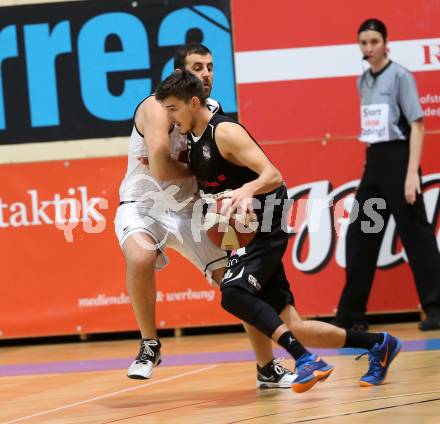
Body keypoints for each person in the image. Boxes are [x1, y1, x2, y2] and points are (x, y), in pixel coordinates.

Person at [154, 69, 402, 391]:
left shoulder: (225, 131)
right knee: (293, 325)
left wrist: (246, 191)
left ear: (193, 102)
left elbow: (273, 175)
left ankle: (304, 360)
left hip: (266, 223)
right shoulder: (192, 137)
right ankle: (378, 344)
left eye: (173, 108)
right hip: (242, 230)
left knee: (233, 293)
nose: (170, 117)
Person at [114, 43, 297, 388]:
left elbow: (217, 165)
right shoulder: (157, 108)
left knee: (237, 286)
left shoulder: (213, 112)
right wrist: (196, 168)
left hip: (192, 211)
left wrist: (232, 195)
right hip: (144, 204)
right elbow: (161, 169)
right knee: (140, 256)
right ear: (181, 75)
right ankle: (149, 344)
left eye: (211, 67)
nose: (207, 74)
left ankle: (267, 368)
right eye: (198, 67)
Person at [334, 18, 440, 332]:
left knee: (416, 235)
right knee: (361, 234)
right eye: (363, 42)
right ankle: (352, 314)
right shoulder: (362, 81)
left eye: (374, 42)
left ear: (385, 43)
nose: (368, 48)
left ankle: (436, 308)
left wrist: (411, 175)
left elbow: (418, 125)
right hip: (375, 162)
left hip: (400, 159)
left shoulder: (400, 76)